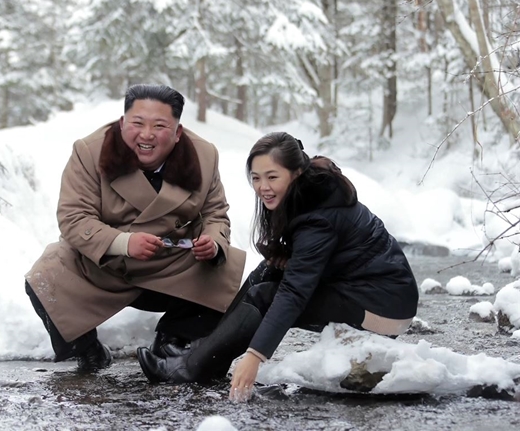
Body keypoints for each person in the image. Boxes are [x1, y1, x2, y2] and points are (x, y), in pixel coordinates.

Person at [137, 132, 419, 401]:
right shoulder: (306, 194)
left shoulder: (318, 218)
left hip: (383, 309)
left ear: (296, 173)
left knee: (267, 295)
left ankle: (193, 367)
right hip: (356, 288)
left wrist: (254, 356)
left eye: (272, 177)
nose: (263, 187)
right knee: (266, 271)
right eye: (256, 178)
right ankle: (201, 350)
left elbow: (294, 294)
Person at [25, 84, 246, 371]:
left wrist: (212, 241)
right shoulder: (89, 151)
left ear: (178, 132)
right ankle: (86, 350)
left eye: (160, 125)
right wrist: (124, 243)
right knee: (45, 276)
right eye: (137, 123)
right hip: (105, 265)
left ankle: (173, 340)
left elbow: (216, 212)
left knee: (226, 267)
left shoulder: (204, 155)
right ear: (122, 124)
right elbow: (73, 217)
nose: (146, 135)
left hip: (172, 265)